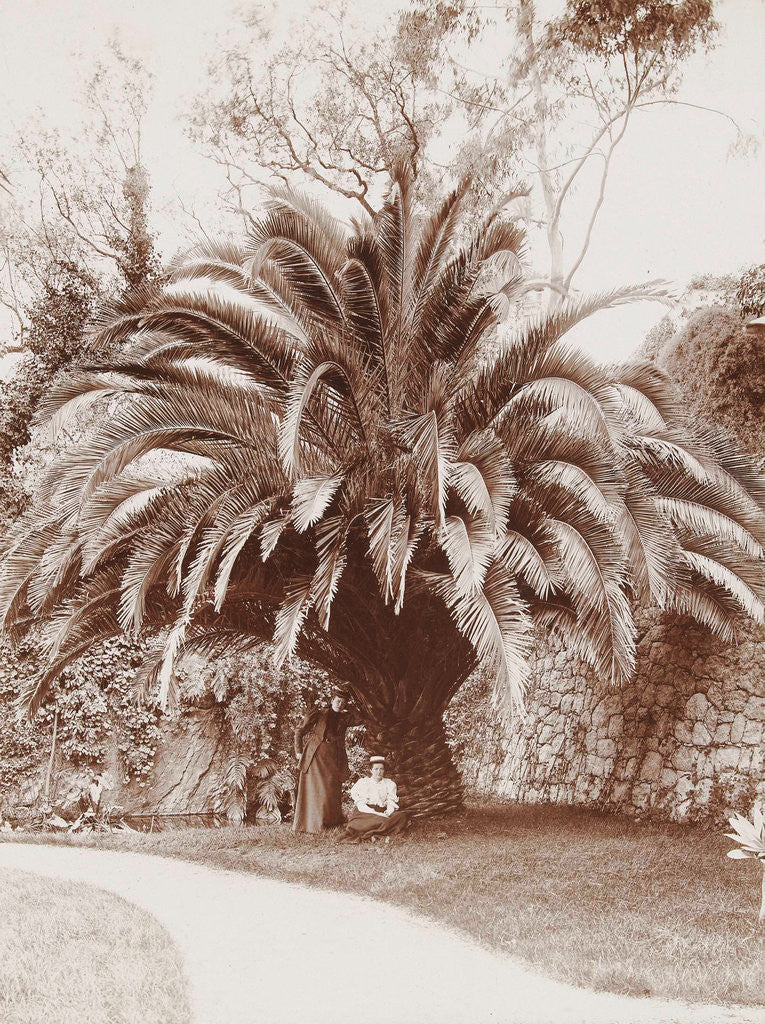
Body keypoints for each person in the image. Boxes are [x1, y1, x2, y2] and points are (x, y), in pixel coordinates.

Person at [293, 686, 352, 833]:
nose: (340, 704)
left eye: (344, 702)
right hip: (316, 756)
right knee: (316, 791)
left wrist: (350, 706)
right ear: (332, 700)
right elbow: (299, 730)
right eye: (338, 701)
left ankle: (330, 823)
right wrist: (298, 751)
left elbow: (361, 718)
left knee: (331, 790)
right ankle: (311, 825)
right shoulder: (319, 714)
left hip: (334, 758)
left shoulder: (345, 717)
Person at [344, 755, 409, 842]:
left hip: (382, 812)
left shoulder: (390, 784)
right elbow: (361, 805)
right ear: (371, 770)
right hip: (365, 813)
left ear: (384, 770)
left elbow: (390, 801)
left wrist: (388, 812)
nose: (379, 772)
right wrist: (377, 814)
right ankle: (380, 833)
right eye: (376, 769)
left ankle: (373, 833)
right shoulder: (363, 783)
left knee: (401, 816)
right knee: (356, 825)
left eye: (381, 769)